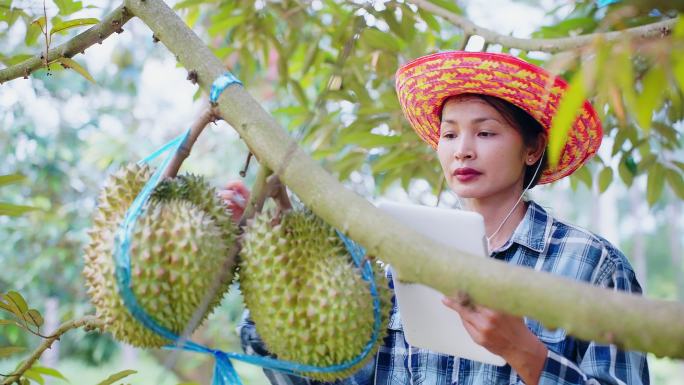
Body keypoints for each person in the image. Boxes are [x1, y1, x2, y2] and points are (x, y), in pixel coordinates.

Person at [221, 51, 649, 385]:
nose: (462, 149)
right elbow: (329, 376)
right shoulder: (400, 257)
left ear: (533, 148)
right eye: (449, 133)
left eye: (485, 132)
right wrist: (265, 250)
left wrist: (525, 352)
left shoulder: (593, 266)